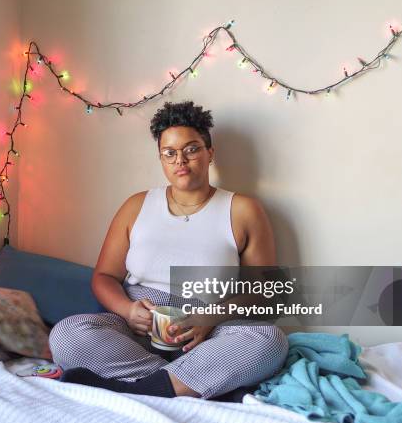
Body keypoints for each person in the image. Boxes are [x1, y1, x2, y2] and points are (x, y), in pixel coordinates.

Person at [49, 100, 288, 399]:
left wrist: (209, 318)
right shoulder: (137, 205)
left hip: (207, 331)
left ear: (209, 153)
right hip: (137, 332)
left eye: (191, 149)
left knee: (270, 340)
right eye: (170, 153)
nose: (180, 161)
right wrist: (128, 310)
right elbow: (104, 276)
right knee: (66, 334)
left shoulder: (243, 209)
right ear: (161, 158)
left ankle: (144, 388)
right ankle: (183, 383)